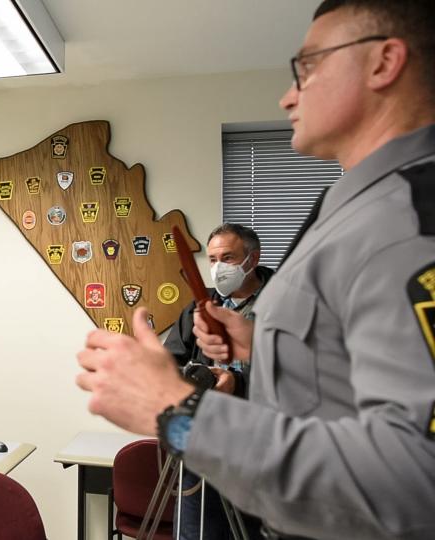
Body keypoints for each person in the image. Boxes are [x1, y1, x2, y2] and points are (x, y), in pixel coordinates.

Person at [76, 1, 435, 539]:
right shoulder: (352, 210)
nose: (288, 94)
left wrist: (172, 408)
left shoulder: (410, 218)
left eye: (308, 68)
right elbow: (336, 390)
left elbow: (413, 477)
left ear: (384, 62)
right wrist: (257, 345)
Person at [163, 224, 273, 540]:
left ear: (253, 259)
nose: (218, 267)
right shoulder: (200, 307)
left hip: (263, 445)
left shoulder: (286, 306)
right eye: (212, 259)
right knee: (199, 530)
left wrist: (238, 383)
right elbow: (171, 359)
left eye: (228, 257)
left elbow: (302, 373)